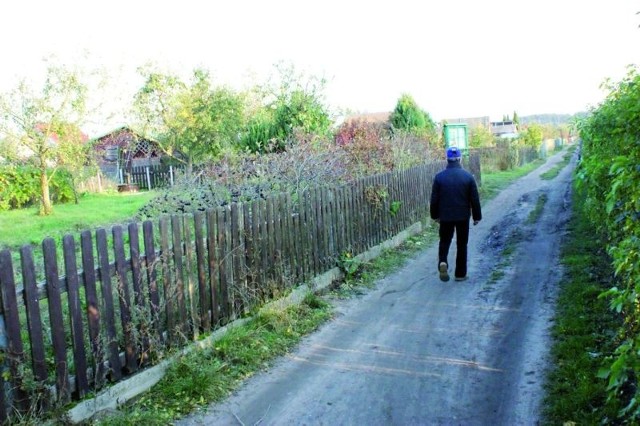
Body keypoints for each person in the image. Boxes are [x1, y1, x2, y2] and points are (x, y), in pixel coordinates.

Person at [430, 146, 482, 282]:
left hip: (445, 216)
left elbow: (434, 199)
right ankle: (460, 274)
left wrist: (434, 215)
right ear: (459, 158)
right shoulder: (468, 177)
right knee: (462, 244)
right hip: (463, 216)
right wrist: (477, 217)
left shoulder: (439, 177)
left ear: (447, 159)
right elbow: (474, 199)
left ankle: (443, 261)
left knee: (445, 241)